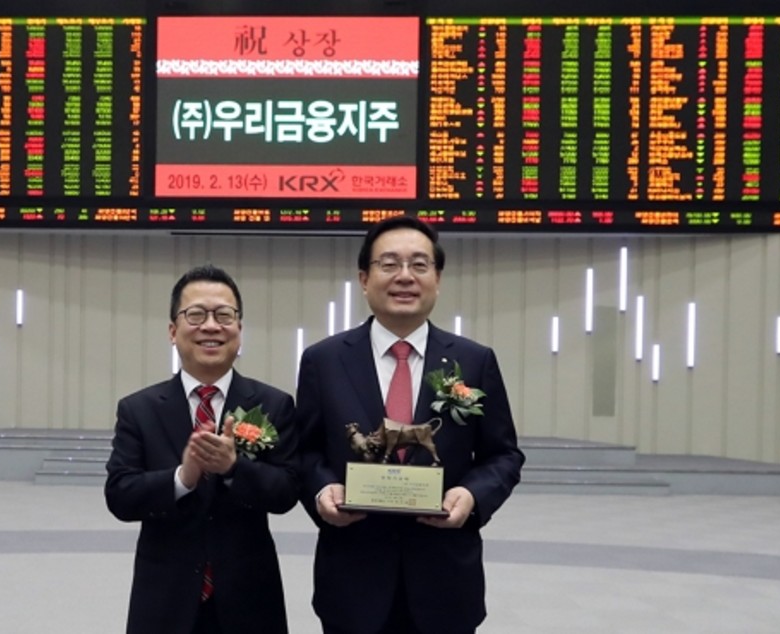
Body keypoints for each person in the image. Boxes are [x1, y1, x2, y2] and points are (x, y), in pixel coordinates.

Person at [296, 216, 525, 634]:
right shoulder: (323, 360)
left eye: (419, 264)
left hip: (445, 581)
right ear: (364, 279)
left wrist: (471, 495)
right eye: (389, 264)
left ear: (438, 279)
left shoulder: (474, 361)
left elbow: (503, 455)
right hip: (352, 578)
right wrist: (321, 489)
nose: (405, 276)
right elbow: (306, 450)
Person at [105, 265, 298, 634]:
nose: (211, 326)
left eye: (224, 315)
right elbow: (120, 496)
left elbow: (287, 491)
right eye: (196, 315)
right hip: (164, 600)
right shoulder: (139, 409)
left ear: (239, 329)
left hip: (250, 599)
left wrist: (233, 468)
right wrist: (183, 478)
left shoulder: (273, 404)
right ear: (172, 331)